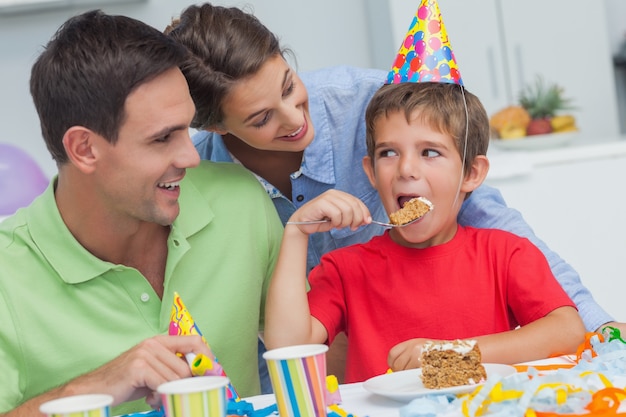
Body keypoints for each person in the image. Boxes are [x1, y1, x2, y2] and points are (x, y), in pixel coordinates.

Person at [165, 2, 625, 339]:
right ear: (214, 126)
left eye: (290, 86)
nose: (293, 117)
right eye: (261, 118)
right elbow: (280, 339)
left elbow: (491, 219)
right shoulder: (204, 179)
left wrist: (601, 328)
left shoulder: (377, 106)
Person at [0, 10, 283, 416]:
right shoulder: (6, 278)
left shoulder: (242, 203)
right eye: (162, 138)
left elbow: (312, 355)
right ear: (84, 149)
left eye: (187, 128)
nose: (190, 156)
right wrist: (93, 387)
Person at [263, 81, 587, 382]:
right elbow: (288, 348)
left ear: (472, 173)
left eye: (429, 152)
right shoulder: (346, 268)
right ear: (371, 173)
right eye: (388, 153)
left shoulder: (504, 253)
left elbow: (567, 332)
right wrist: (296, 232)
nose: (406, 169)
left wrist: (448, 358)